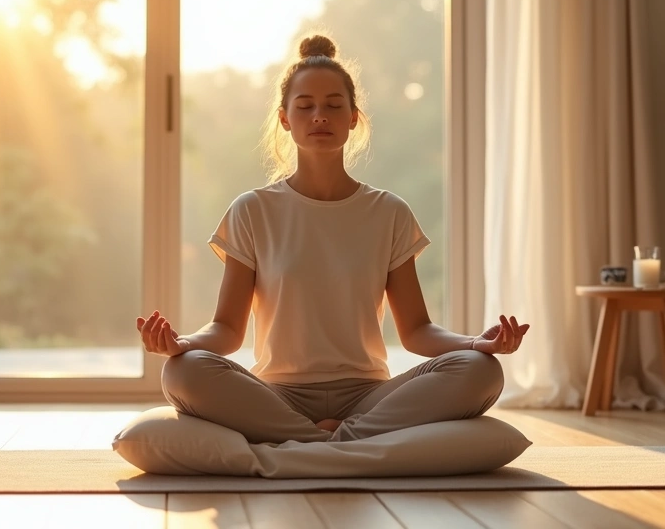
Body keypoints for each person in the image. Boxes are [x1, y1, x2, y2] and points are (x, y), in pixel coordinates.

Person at [136, 34, 530, 444]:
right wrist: (183, 343)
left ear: (353, 117)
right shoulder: (252, 210)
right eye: (305, 107)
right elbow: (227, 330)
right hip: (277, 395)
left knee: (481, 370)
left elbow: (417, 331)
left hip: (369, 395)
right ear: (285, 118)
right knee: (182, 371)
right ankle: (334, 441)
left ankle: (322, 441)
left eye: (333, 106)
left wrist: (475, 343)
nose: (319, 116)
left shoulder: (388, 212)